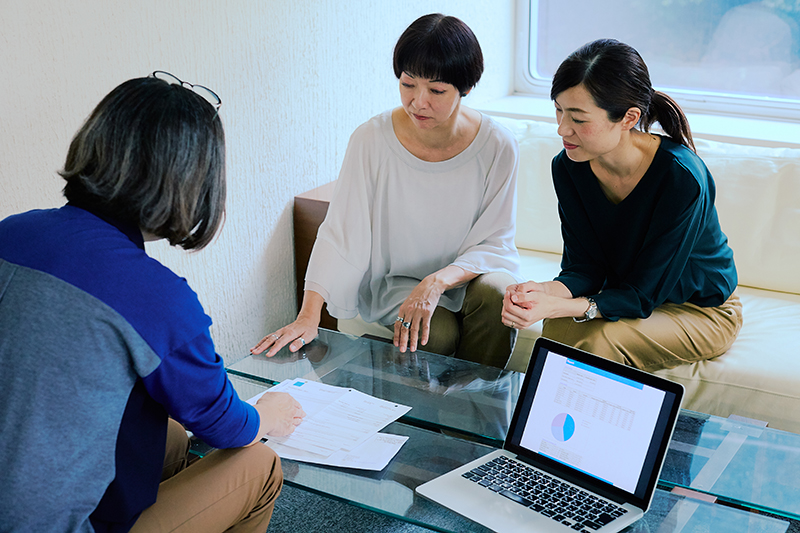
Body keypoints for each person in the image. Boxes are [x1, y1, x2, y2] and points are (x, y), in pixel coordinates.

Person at [0, 72, 305, 532]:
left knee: (171, 438)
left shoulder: (12, 232)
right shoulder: (155, 295)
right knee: (258, 462)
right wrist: (266, 416)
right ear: (189, 181)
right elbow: (221, 422)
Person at [252, 14, 521, 368]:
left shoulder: (498, 145)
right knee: (435, 334)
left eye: (436, 91)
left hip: (467, 274)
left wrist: (437, 281)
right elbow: (342, 230)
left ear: (466, 88)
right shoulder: (371, 139)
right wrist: (308, 314)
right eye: (408, 84)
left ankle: (478, 417)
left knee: (499, 297)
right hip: (398, 284)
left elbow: (495, 240)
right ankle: (429, 420)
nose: (417, 102)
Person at [502, 39, 743, 372]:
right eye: (558, 109)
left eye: (578, 118)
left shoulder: (681, 177)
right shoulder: (570, 166)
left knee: (596, 344)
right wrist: (540, 292)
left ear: (629, 118)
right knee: (557, 326)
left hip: (700, 309)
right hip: (627, 295)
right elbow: (584, 268)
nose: (561, 128)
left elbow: (643, 295)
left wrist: (563, 305)